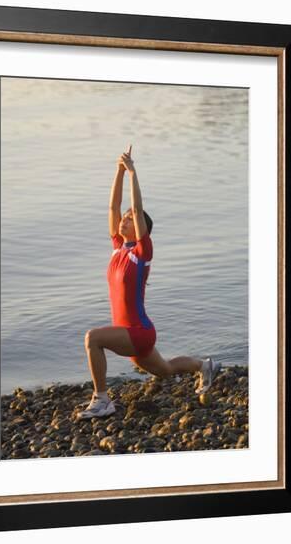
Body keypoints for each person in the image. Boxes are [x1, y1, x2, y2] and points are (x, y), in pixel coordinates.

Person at [77, 145, 221, 420]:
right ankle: (204, 366)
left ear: (142, 227)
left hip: (138, 332)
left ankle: (102, 400)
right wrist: (118, 172)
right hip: (132, 334)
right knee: (166, 369)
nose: (125, 219)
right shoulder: (119, 248)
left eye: (131, 218)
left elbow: (138, 207)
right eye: (126, 217)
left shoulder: (142, 254)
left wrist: (133, 173)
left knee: (92, 338)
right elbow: (112, 206)